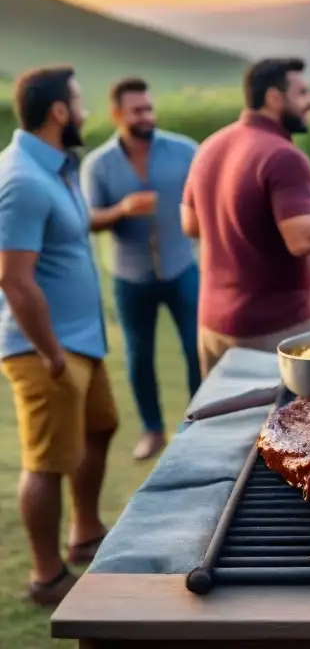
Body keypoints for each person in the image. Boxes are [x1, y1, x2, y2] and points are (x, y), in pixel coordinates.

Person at [0, 67, 118, 605]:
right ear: (58, 112)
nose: (86, 111)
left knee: (103, 427)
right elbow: (13, 278)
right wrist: (49, 355)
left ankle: (85, 531)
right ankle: (46, 577)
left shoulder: (56, 168)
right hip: (45, 348)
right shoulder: (22, 179)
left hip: (82, 341)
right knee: (47, 463)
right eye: (79, 101)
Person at [182, 58, 310, 377]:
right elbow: (300, 239)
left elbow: (193, 224)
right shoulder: (283, 155)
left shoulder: (210, 146)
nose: (309, 102)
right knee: (288, 425)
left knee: (224, 424)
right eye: (301, 93)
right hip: (272, 331)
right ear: (275, 97)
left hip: (213, 327)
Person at [80, 78, 200, 461]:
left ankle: (200, 424)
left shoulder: (184, 150)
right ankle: (152, 431)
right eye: (137, 110)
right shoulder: (98, 164)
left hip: (182, 267)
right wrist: (121, 210)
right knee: (138, 356)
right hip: (130, 277)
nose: (147, 116)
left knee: (196, 350)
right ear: (117, 114)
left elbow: (207, 200)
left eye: (149, 108)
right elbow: (87, 219)